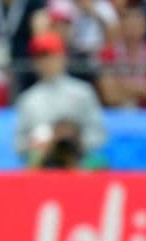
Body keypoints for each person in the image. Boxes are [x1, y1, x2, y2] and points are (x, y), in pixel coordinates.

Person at [14, 31, 105, 164]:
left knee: (98, 163)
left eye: (51, 56)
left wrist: (75, 140)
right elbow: (18, 143)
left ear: (63, 57)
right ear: (35, 62)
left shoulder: (82, 92)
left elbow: (99, 134)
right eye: (41, 58)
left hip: (79, 161)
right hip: (43, 163)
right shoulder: (28, 99)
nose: (47, 63)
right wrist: (37, 143)